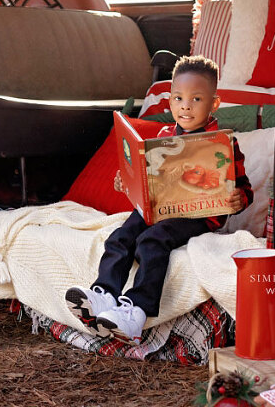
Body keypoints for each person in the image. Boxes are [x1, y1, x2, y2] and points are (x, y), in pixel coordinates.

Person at [65, 55, 253, 345]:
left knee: (151, 241)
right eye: (178, 98)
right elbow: (144, 180)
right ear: (170, 101)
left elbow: (243, 188)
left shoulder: (222, 142)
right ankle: (103, 294)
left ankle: (136, 313)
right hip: (157, 207)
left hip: (197, 214)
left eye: (196, 99)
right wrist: (125, 183)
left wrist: (239, 198)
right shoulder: (162, 138)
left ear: (214, 104)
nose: (185, 106)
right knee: (121, 236)